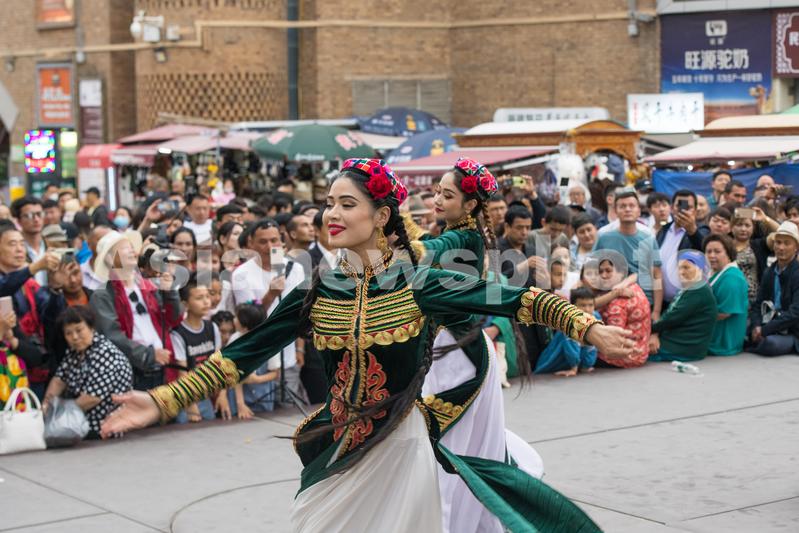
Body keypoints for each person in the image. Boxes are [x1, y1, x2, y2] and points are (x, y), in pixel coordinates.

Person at [101, 158, 634, 533]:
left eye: (346, 204)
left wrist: (587, 328)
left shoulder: (419, 281)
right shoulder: (317, 290)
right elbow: (246, 351)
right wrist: (164, 399)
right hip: (338, 451)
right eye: (328, 203)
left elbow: (512, 298)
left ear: (380, 216)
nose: (330, 214)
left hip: (401, 450)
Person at [90, 230, 181, 390]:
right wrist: (149, 355)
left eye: (131, 247)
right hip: (134, 375)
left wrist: (170, 292)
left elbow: (172, 318)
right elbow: (112, 336)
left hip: (163, 369)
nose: (133, 250)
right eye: (125, 248)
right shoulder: (103, 295)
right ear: (111, 258)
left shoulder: (148, 284)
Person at [231, 218, 307, 404]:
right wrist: (271, 295)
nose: (270, 246)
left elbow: (301, 313)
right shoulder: (241, 274)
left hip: (288, 358)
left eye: (274, 240)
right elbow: (249, 321)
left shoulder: (296, 269)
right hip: (260, 360)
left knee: (289, 410)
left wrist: (300, 348)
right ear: (251, 243)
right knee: (262, 412)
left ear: (281, 241)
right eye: (263, 241)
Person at [43, 306, 132, 438]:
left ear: (91, 328)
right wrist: (46, 403)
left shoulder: (105, 353)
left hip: (103, 430)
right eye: (68, 333)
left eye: (79, 330)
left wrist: (57, 414)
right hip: (81, 427)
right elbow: (59, 380)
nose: (74, 337)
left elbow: (92, 398)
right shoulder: (74, 352)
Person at [0, 223, 66, 397]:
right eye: (12, 244)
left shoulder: (30, 284)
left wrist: (55, 289)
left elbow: (50, 319)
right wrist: (34, 267)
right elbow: (3, 287)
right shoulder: (21, 277)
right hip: (7, 369)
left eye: (22, 244)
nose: (19, 249)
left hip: (37, 366)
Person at [593, 189, 663, 319]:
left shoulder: (648, 238)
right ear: (616, 211)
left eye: (631, 206)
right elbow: (592, 270)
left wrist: (657, 311)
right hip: (611, 301)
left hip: (643, 303)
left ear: (639, 211)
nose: (627, 209)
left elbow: (656, 274)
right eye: (623, 206)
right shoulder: (604, 237)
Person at [649, 251, 718, 362]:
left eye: (686, 267)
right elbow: (670, 314)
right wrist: (654, 332)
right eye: (680, 268)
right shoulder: (690, 287)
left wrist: (649, 330)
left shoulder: (698, 290)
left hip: (684, 347)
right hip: (679, 340)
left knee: (635, 350)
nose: (681, 272)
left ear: (700, 269)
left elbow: (672, 318)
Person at [171, 276, 221, 423]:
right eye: (199, 298)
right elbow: (182, 374)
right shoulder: (178, 334)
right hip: (186, 397)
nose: (206, 301)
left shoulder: (212, 327)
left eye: (207, 296)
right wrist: (191, 404)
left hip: (205, 396)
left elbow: (219, 363)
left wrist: (222, 394)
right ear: (185, 304)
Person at [750, 221, 799, 356]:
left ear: (796, 247)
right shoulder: (770, 271)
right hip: (770, 323)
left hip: (791, 330)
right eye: (778, 242)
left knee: (770, 344)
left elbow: (795, 313)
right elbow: (758, 304)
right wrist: (756, 325)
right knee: (744, 329)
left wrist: (765, 330)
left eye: (787, 243)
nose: (781, 247)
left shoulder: (797, 273)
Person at [593, 254, 651, 368]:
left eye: (608, 271)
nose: (603, 275)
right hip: (641, 352)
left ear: (621, 272)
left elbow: (613, 338)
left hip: (624, 357)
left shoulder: (618, 303)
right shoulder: (633, 286)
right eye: (601, 272)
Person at [656, 190, 709, 308]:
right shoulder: (664, 230)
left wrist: (692, 231)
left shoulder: (702, 230)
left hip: (686, 303)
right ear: (672, 208)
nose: (683, 210)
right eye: (679, 206)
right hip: (661, 302)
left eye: (688, 207)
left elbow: (704, 251)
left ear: (695, 210)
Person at [534, 287, 599, 376]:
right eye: (582, 305)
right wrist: (573, 368)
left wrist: (587, 365)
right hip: (556, 360)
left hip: (576, 361)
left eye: (590, 305)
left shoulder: (595, 317)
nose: (587, 309)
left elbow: (593, 344)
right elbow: (570, 347)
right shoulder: (569, 320)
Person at [703, 234, 748, 356]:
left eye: (717, 251)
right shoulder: (713, 272)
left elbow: (724, 313)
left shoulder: (732, 278)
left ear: (728, 254)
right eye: (708, 252)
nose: (712, 255)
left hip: (723, 342)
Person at [12, 196, 48, 286]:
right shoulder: (15, 251)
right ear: (19, 221)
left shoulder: (54, 246)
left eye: (39, 214)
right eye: (29, 216)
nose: (36, 219)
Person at [81, 225, 113, 291]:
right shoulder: (81, 272)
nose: (106, 243)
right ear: (89, 244)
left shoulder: (122, 271)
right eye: (101, 239)